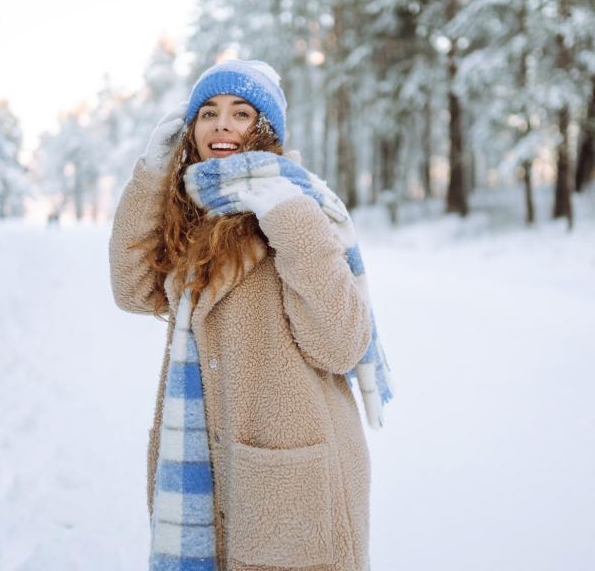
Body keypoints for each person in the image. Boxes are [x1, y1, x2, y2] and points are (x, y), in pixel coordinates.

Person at [109, 59, 391, 571]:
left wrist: (288, 218)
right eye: (208, 113)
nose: (221, 125)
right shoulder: (191, 218)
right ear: (190, 131)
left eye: (241, 113)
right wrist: (151, 177)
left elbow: (341, 344)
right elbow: (131, 290)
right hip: (216, 468)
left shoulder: (301, 207)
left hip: (293, 478)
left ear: (264, 130)